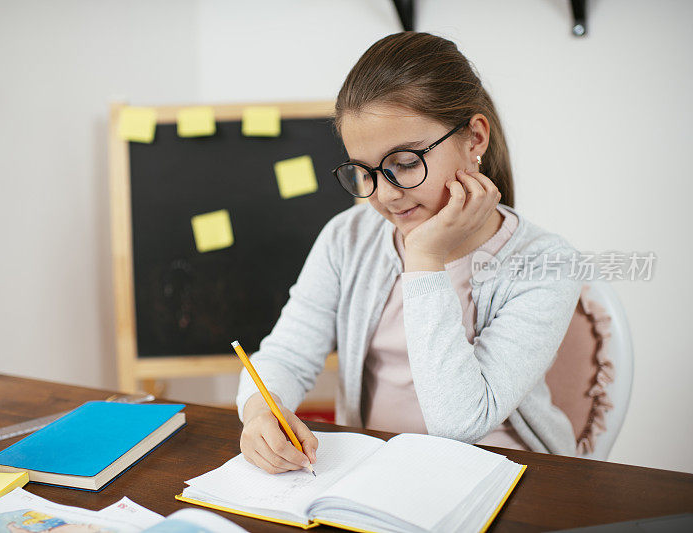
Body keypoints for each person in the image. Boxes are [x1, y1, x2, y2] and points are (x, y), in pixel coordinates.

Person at [237, 31, 582, 475]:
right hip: (378, 471)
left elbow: (458, 424)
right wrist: (259, 412)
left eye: (403, 163)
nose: (383, 193)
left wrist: (423, 259)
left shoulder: (544, 263)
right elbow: (285, 355)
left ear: (474, 138)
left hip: (502, 474)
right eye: (365, 171)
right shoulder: (348, 238)